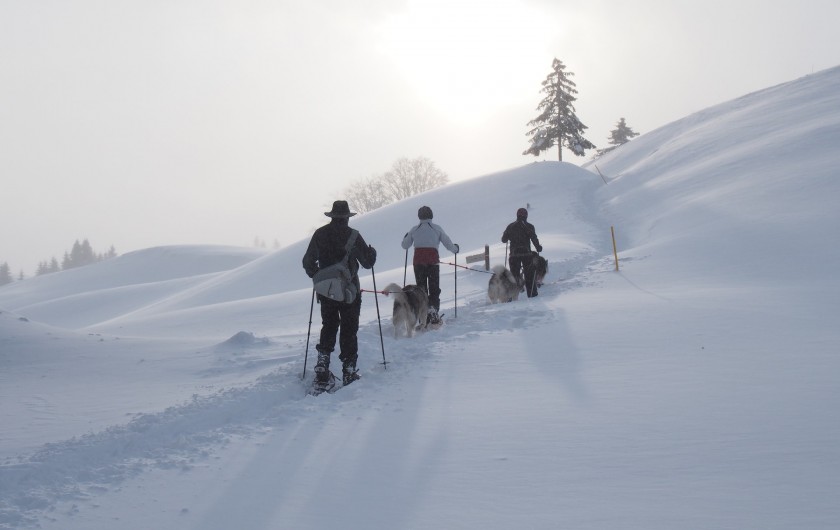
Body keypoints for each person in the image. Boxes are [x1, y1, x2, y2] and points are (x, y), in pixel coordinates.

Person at [302, 200, 377, 389]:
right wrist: (372, 254)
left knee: (329, 325)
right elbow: (367, 263)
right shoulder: (353, 236)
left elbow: (307, 261)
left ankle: (323, 363)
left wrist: (319, 277)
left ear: (332, 216)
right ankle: (349, 370)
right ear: (347, 217)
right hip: (349, 291)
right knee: (349, 329)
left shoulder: (320, 234)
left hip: (327, 291)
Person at [401, 206, 459, 324]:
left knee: (421, 290)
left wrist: (406, 237)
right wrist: (456, 249)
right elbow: (448, 244)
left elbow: (405, 245)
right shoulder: (436, 228)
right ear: (431, 215)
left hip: (418, 263)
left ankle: (423, 316)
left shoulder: (414, 229)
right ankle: (433, 313)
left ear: (419, 216)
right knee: (434, 289)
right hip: (433, 262)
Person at [501, 207, 543, 298]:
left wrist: (509, 235)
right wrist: (538, 247)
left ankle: (510, 297)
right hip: (526, 254)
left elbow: (503, 240)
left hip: (514, 255)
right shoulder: (529, 226)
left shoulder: (510, 226)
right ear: (526, 216)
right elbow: (534, 238)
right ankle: (532, 295)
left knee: (514, 276)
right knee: (529, 275)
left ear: (517, 215)